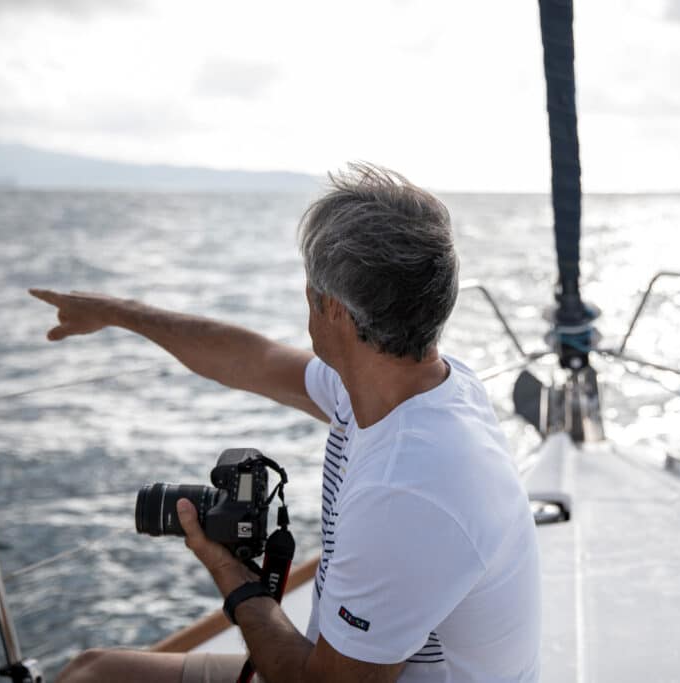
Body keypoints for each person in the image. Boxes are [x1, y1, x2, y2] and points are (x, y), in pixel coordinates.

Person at [33, 164, 542, 683]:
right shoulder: (414, 383)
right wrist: (120, 313)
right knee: (93, 672)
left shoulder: (406, 488)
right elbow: (252, 359)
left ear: (333, 310)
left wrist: (230, 573)